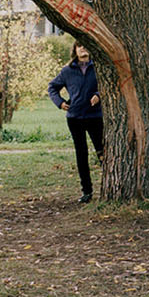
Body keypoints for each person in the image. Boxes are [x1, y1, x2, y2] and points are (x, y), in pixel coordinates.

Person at [48, 42, 104, 203]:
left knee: (102, 152)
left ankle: (110, 186)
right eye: (79, 46)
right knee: (82, 154)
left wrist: (99, 94)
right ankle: (87, 191)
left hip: (95, 116)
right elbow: (52, 87)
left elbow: (109, 83)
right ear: (75, 50)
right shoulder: (67, 71)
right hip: (75, 117)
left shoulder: (99, 67)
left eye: (84, 45)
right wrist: (60, 102)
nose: (83, 48)